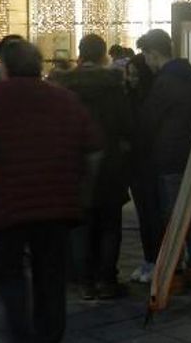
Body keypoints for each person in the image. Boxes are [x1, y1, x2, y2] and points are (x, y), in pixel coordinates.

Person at [0, 40, 102, 342]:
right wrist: (82, 189)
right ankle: (50, 335)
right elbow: (93, 147)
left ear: (6, 67)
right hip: (56, 205)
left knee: (9, 273)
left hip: (7, 205)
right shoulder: (66, 99)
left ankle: (21, 334)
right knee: (51, 276)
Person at [50, 34, 133, 300]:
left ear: (80, 54)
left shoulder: (63, 88)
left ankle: (84, 281)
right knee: (110, 225)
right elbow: (126, 126)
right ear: (103, 55)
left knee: (80, 226)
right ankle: (106, 280)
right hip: (109, 165)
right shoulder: (114, 87)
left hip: (75, 166)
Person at [136, 29, 191, 292]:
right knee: (185, 214)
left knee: (171, 217)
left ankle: (174, 271)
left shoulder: (165, 82)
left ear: (154, 54)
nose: (146, 63)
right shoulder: (188, 78)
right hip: (185, 155)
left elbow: (147, 122)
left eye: (146, 56)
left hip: (167, 158)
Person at [124, 53, 161, 284]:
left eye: (135, 74)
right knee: (144, 216)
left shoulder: (151, 98)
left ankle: (156, 261)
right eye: (129, 74)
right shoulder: (128, 96)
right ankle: (148, 260)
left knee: (153, 216)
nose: (131, 78)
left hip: (150, 164)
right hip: (136, 166)